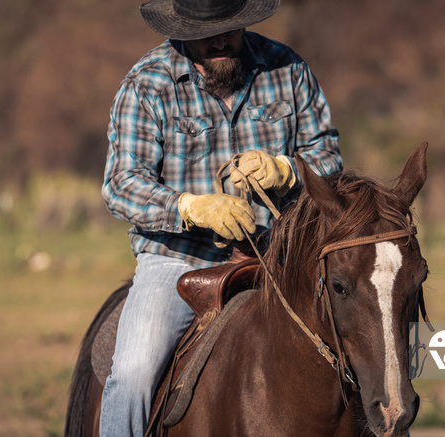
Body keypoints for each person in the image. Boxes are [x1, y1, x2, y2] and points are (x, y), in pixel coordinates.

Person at [100, 0, 343, 434]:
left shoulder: (287, 69)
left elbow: (327, 156)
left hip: (282, 259)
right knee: (134, 373)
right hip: (177, 262)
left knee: (365, 347)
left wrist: (286, 169)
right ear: (182, 27)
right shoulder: (147, 84)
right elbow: (120, 185)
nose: (220, 41)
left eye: (229, 29)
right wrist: (191, 207)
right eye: (205, 31)